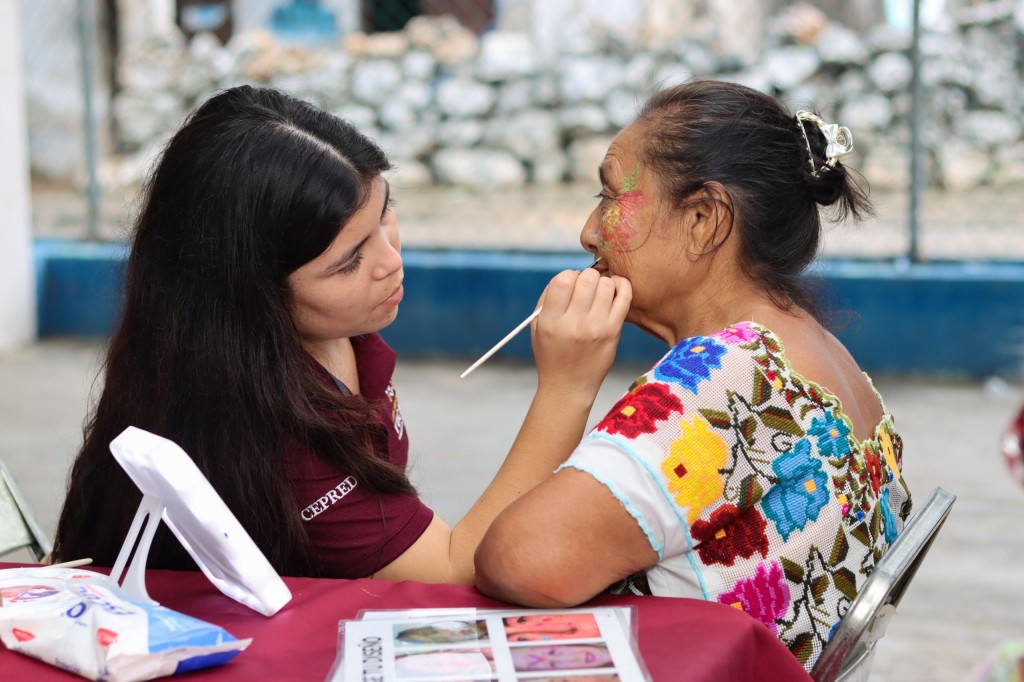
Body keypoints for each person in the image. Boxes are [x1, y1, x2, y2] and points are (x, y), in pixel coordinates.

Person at [50, 85, 631, 583]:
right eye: (348, 262)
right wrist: (567, 386)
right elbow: (456, 569)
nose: (390, 262)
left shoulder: (339, 328)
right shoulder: (268, 429)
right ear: (251, 294)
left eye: (385, 214)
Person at [473, 80, 914, 672]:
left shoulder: (729, 373)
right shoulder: (822, 354)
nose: (588, 231)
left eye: (609, 198)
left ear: (704, 219)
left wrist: (565, 386)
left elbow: (516, 560)